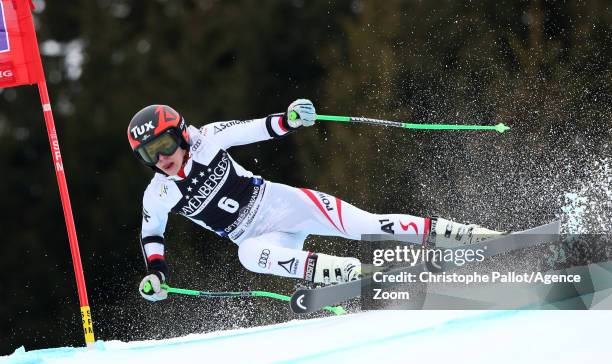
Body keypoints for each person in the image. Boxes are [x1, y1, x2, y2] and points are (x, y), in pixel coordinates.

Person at [128, 100, 502, 301]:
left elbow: (258, 128)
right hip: (256, 238)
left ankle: (464, 234)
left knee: (366, 226)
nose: (161, 158)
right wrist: (157, 274)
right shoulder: (158, 193)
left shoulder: (208, 138)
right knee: (248, 255)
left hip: (281, 204)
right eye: (148, 155)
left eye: (163, 145)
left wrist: (290, 119)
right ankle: (352, 273)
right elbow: (152, 234)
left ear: (180, 134)